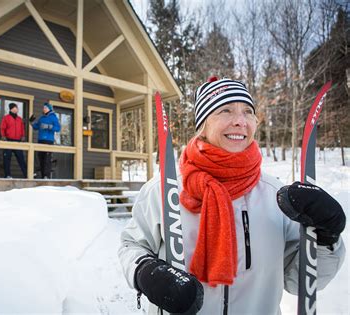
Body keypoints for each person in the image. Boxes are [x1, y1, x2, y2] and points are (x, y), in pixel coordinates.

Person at [118, 77, 346, 314]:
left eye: (248, 112)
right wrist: (146, 273)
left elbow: (298, 280)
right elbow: (131, 245)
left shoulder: (274, 195)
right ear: (202, 127)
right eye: (225, 110)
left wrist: (326, 239)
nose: (240, 121)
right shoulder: (165, 190)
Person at [29, 102, 61, 179]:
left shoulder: (53, 117)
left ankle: (46, 175)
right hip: (40, 140)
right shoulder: (41, 118)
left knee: (47, 159)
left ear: (49, 109)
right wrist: (32, 122)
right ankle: (43, 175)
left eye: (45, 108)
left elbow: (58, 128)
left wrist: (49, 126)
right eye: (43, 108)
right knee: (41, 158)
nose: (43, 109)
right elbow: (36, 127)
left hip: (49, 141)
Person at [1, 103, 27, 178]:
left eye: (17, 108)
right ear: (11, 109)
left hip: (17, 141)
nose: (16, 109)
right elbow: (3, 128)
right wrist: (3, 136)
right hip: (8, 140)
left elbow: (22, 128)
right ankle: (7, 175)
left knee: (21, 158)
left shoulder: (19, 119)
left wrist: (23, 136)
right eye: (14, 108)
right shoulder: (6, 118)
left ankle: (26, 174)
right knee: (7, 158)